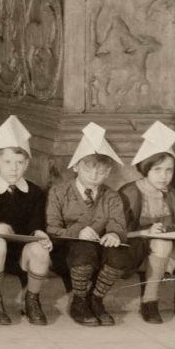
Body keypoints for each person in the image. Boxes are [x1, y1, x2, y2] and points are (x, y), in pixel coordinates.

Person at [0, 116, 53, 326]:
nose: (14, 168)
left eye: (19, 162)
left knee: (40, 250)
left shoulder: (34, 192)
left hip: (18, 253)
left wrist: (40, 234)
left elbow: (36, 224)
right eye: (7, 162)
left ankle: (32, 300)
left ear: (27, 164)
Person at [46, 123, 131, 326]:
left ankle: (96, 299)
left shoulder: (112, 196)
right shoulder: (59, 192)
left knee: (119, 254)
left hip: (99, 250)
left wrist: (114, 234)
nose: (94, 176)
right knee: (83, 250)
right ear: (76, 166)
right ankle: (79, 300)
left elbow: (118, 223)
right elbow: (52, 229)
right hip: (68, 249)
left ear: (108, 172)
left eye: (101, 171)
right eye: (88, 169)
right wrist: (78, 232)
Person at [120, 121, 175, 324]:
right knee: (161, 243)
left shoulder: (171, 193)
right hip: (137, 246)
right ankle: (149, 301)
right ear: (145, 168)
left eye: (169, 170)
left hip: (167, 245)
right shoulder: (130, 192)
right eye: (157, 170)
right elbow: (118, 231)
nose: (164, 176)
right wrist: (147, 231)